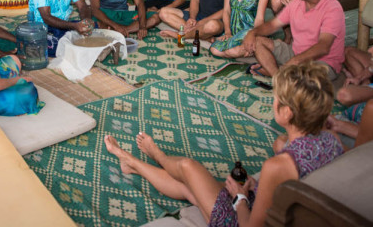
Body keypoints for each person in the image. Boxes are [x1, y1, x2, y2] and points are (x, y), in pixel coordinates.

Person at [104, 61, 343, 226]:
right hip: (280, 206)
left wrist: (240, 197)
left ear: (287, 113)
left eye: (276, 99)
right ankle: (132, 164)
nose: (273, 102)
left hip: (241, 219)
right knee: (192, 186)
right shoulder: (333, 141)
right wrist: (251, 189)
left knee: (188, 168)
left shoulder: (279, 165)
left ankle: (151, 157)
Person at [243, 0, 345, 79]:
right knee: (257, 41)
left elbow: (323, 46)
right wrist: (252, 33)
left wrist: (294, 61)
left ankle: (281, 73)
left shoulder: (333, 8)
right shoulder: (298, 1)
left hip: (323, 63)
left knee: (302, 81)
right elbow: (273, 25)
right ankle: (278, 77)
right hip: (296, 53)